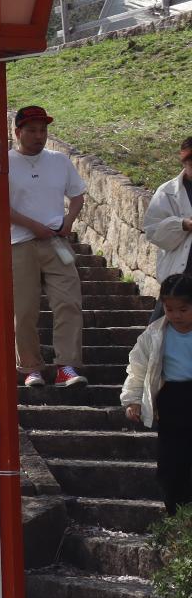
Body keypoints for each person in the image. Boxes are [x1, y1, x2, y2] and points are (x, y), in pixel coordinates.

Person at [10, 105, 88, 388]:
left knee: (69, 302)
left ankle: (66, 366)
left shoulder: (59, 161)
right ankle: (30, 367)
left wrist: (69, 221)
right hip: (20, 243)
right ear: (18, 132)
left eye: (42, 130)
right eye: (31, 130)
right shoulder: (5, 162)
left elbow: (78, 195)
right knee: (24, 309)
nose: (38, 136)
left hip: (57, 242)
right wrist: (32, 226)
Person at [122, 272, 192, 515]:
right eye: (170, 309)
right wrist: (132, 399)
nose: (176, 316)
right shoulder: (154, 334)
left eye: (183, 310)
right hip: (172, 399)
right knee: (171, 461)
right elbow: (138, 368)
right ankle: (175, 514)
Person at [144, 136, 192, 288]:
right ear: (184, 162)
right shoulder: (167, 192)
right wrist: (182, 224)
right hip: (180, 276)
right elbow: (152, 231)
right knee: (169, 312)